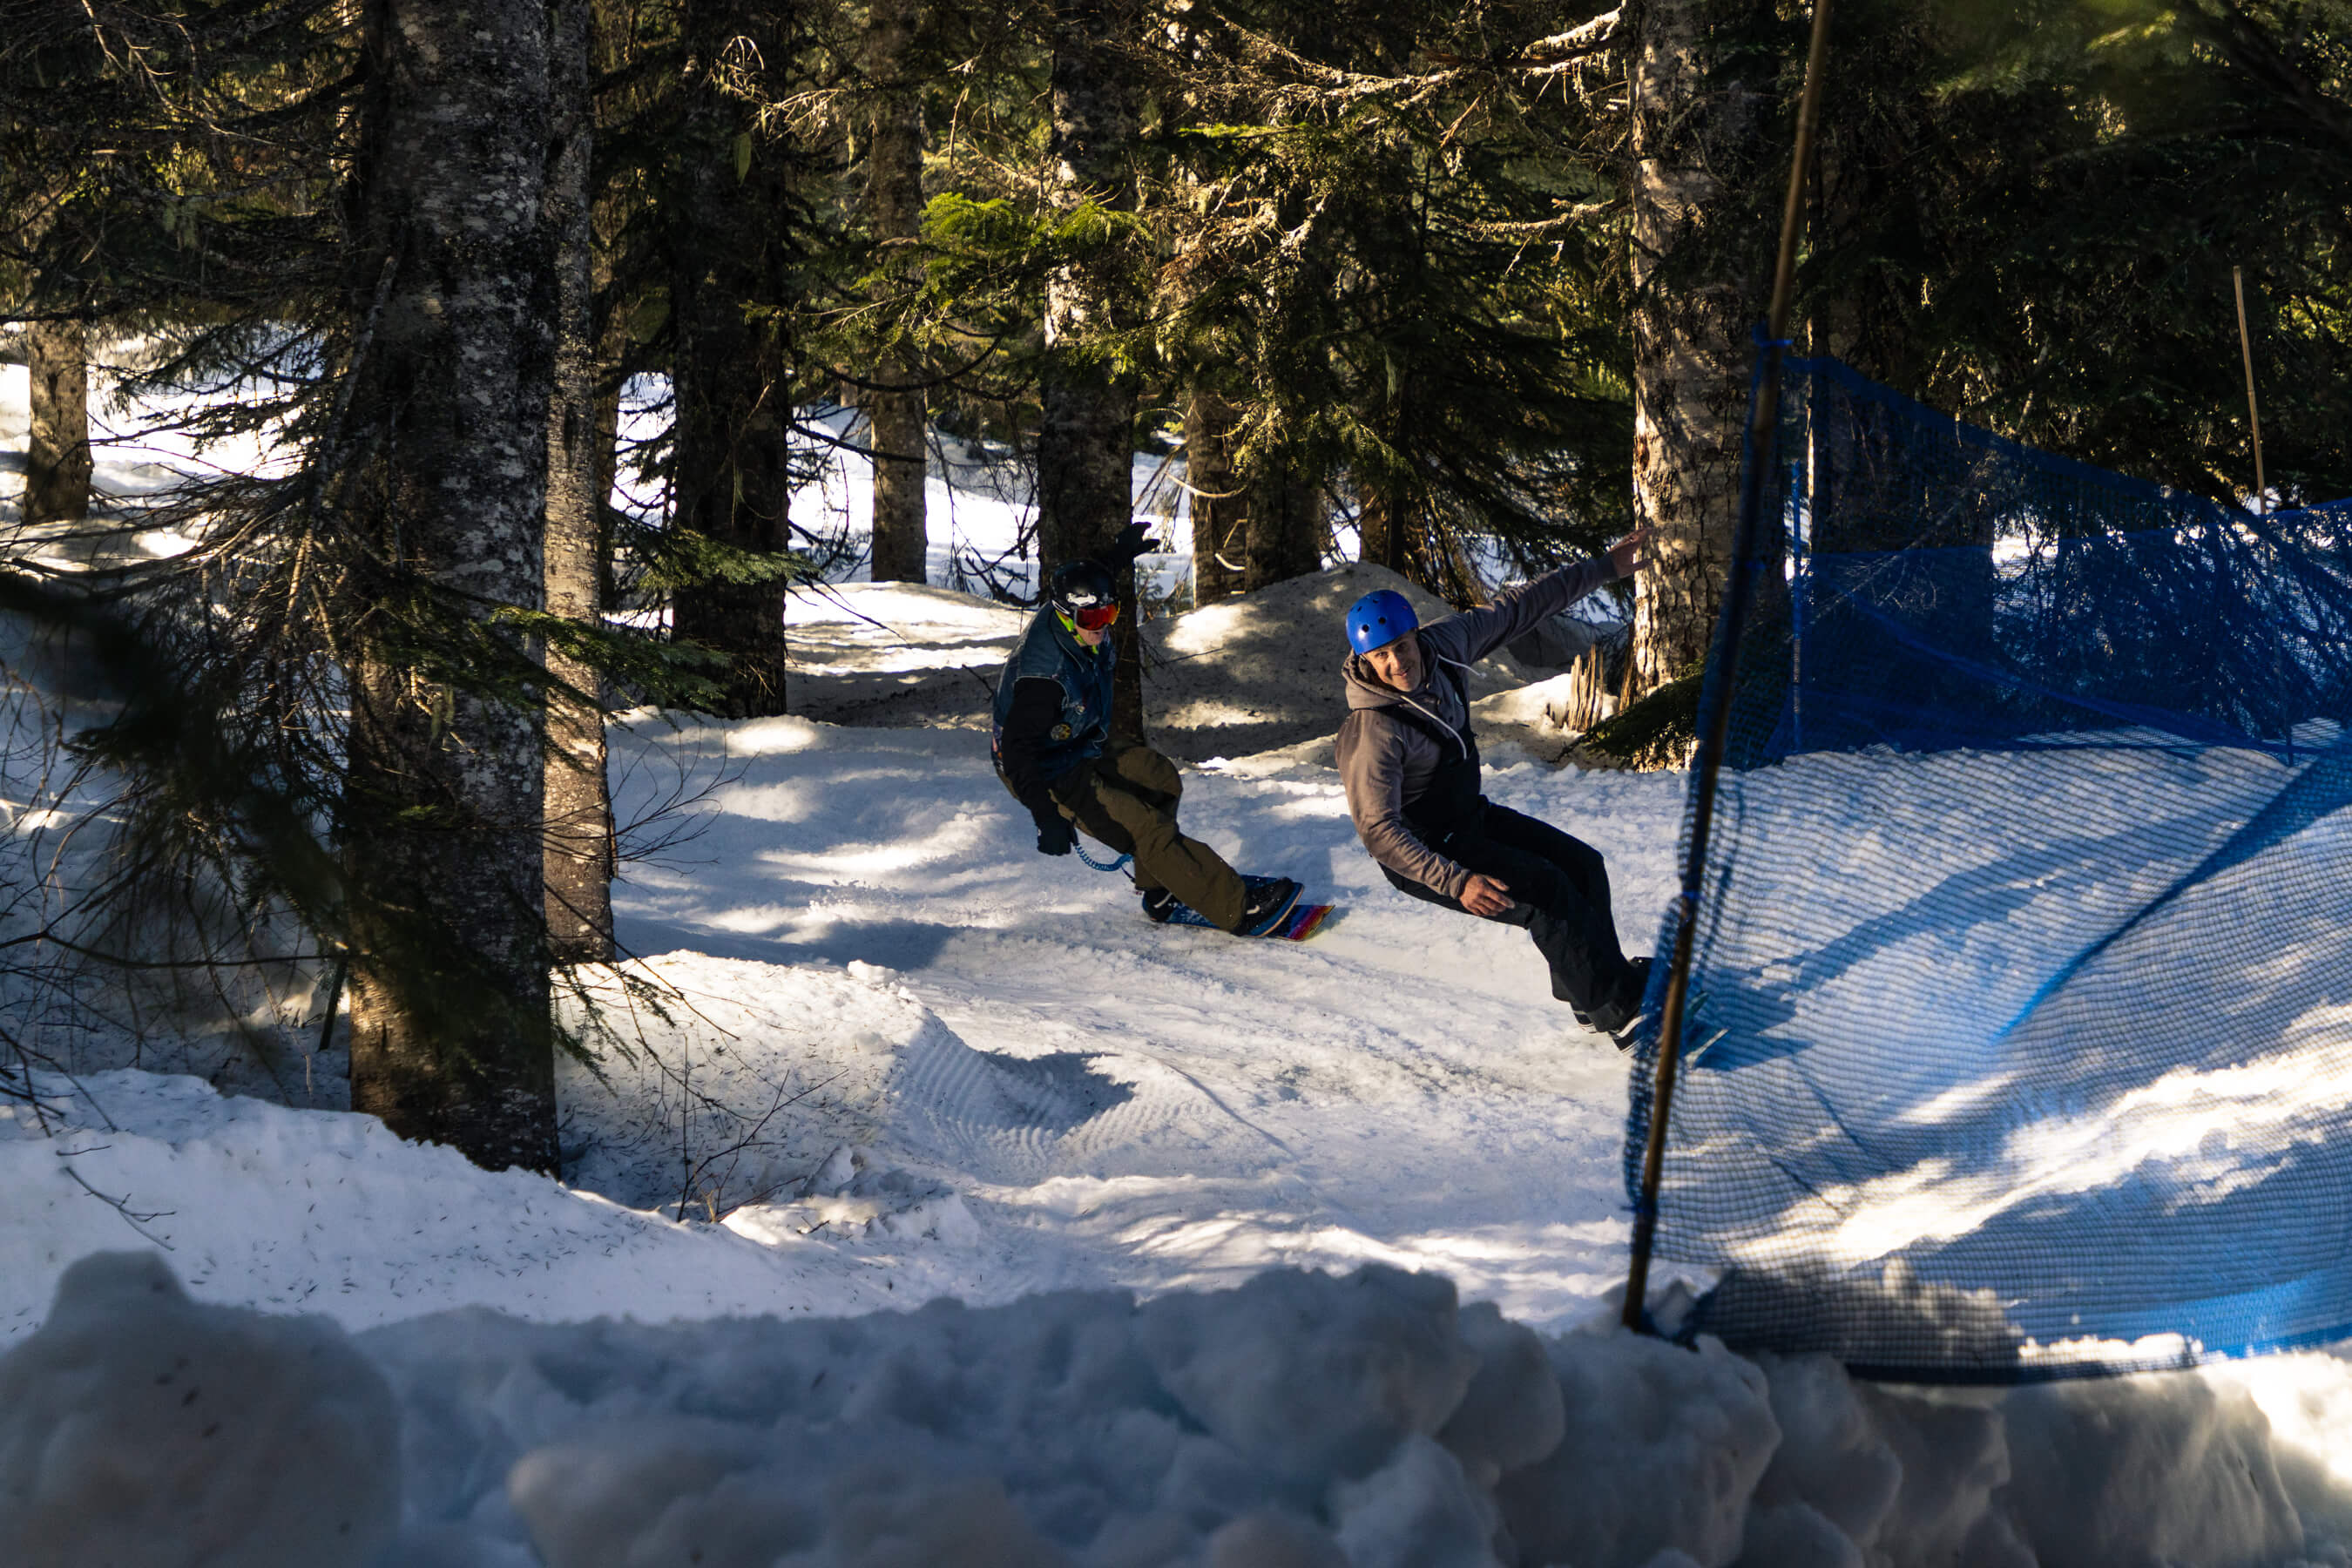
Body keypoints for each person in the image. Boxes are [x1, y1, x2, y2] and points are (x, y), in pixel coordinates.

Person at [1335, 533, 1652, 1038]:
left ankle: (1590, 994)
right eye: (1381, 658)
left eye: (1401, 646)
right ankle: (1622, 1015)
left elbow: (1518, 607)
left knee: (1582, 867)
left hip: (1467, 821)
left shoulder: (1445, 646)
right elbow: (1378, 831)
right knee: (1545, 895)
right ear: (1366, 661)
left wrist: (1604, 568)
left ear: (1416, 635)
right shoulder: (1373, 732)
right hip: (1424, 853)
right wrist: (1457, 881)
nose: (1398, 664)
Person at [993, 525, 1303, 936]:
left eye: (1109, 614)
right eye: (1092, 618)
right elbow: (1017, 752)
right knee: (1147, 830)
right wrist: (1045, 815)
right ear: (1066, 616)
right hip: (1044, 770)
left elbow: (1089, 580)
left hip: (1078, 741)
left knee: (1160, 779)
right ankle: (1236, 907)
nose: (1102, 625)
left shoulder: (1077, 614)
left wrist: (1117, 555)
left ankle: (1161, 888)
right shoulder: (1042, 681)